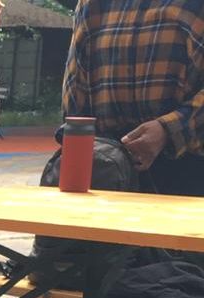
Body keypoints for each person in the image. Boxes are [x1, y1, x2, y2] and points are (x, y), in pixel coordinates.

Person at [62, 0, 204, 197]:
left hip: (187, 164)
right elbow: (75, 92)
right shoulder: (92, 4)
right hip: (107, 166)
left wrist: (168, 130)